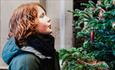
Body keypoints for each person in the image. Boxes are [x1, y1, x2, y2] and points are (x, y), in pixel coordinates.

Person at [2, 2, 60, 70]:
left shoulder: (47, 50)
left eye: (45, 15)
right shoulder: (26, 61)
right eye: (42, 16)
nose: (48, 19)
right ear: (28, 23)